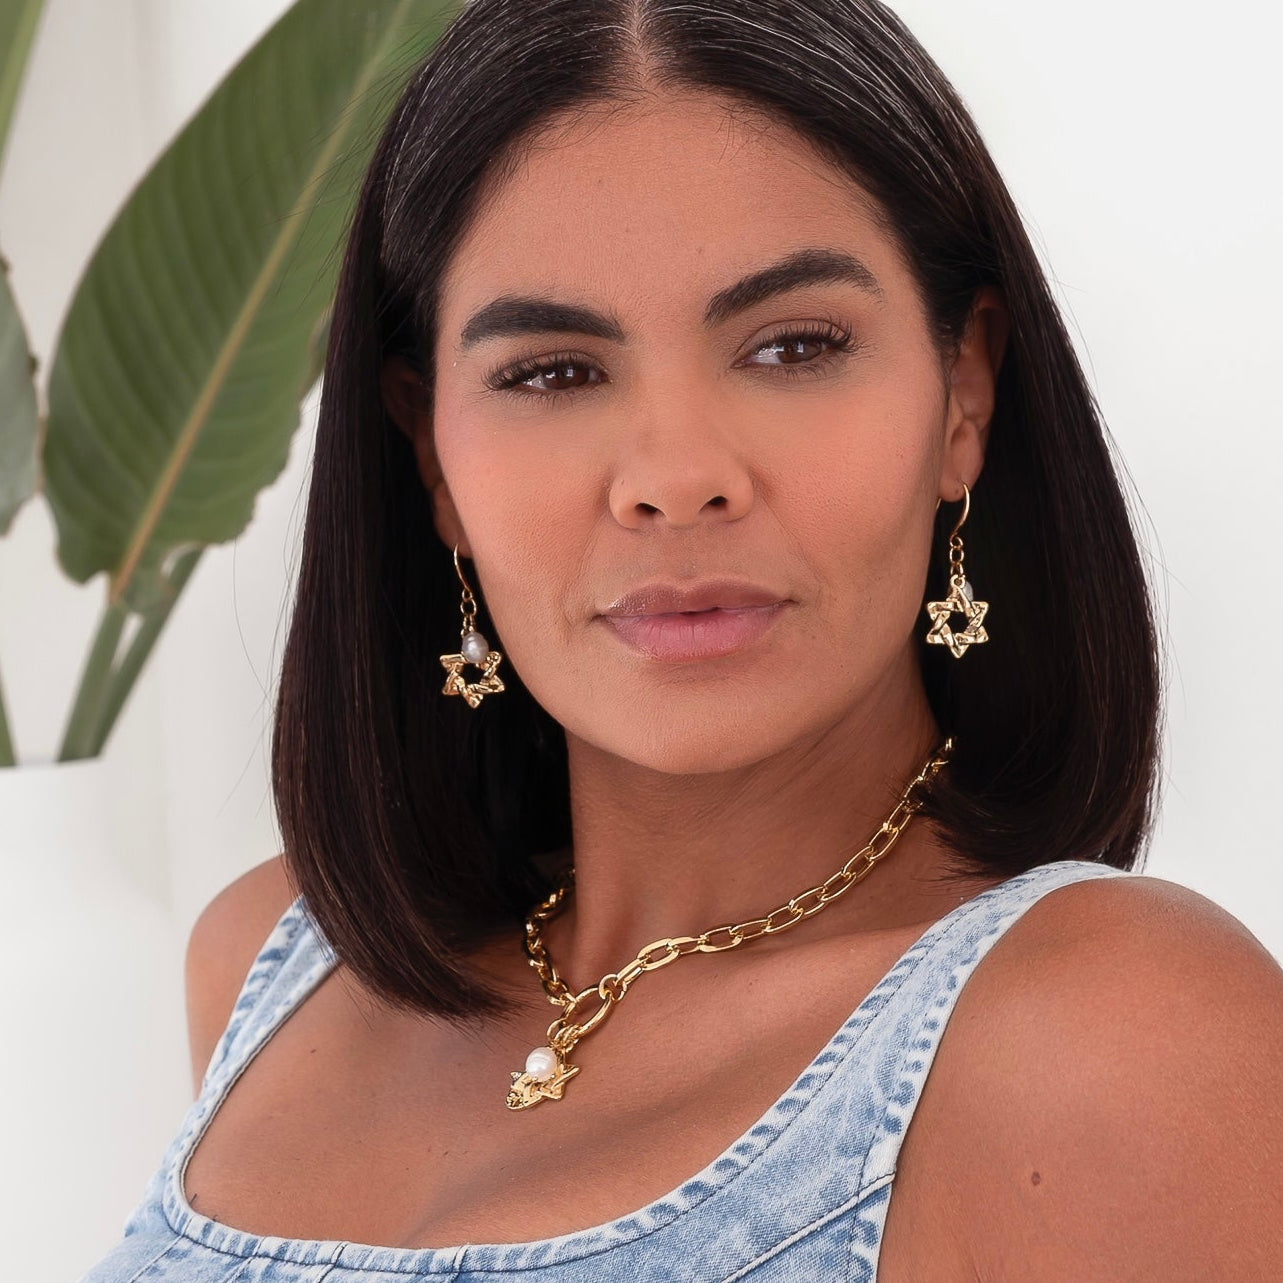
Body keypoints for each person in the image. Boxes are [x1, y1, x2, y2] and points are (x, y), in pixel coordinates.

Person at [80, 0, 1283, 1279]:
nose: (673, 477)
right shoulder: (275, 962)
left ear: (962, 392)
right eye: (552, 371)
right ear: (431, 451)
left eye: (792, 345)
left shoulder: (1114, 1035)